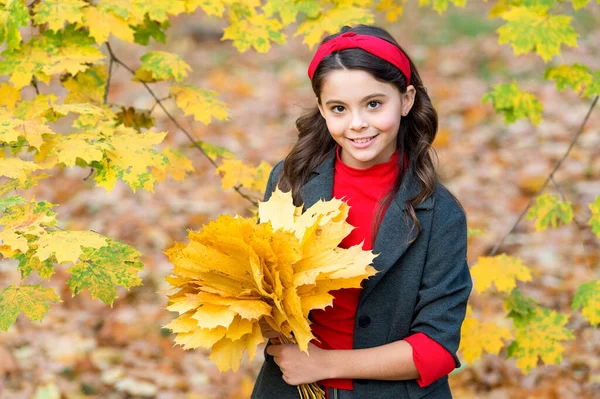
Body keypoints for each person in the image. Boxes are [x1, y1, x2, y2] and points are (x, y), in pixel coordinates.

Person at [252, 24, 473, 399]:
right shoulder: (292, 181)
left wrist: (325, 364)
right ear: (322, 110)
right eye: (339, 108)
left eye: (374, 104)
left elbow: (436, 348)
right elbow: (263, 291)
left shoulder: (441, 213)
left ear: (405, 100)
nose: (357, 123)